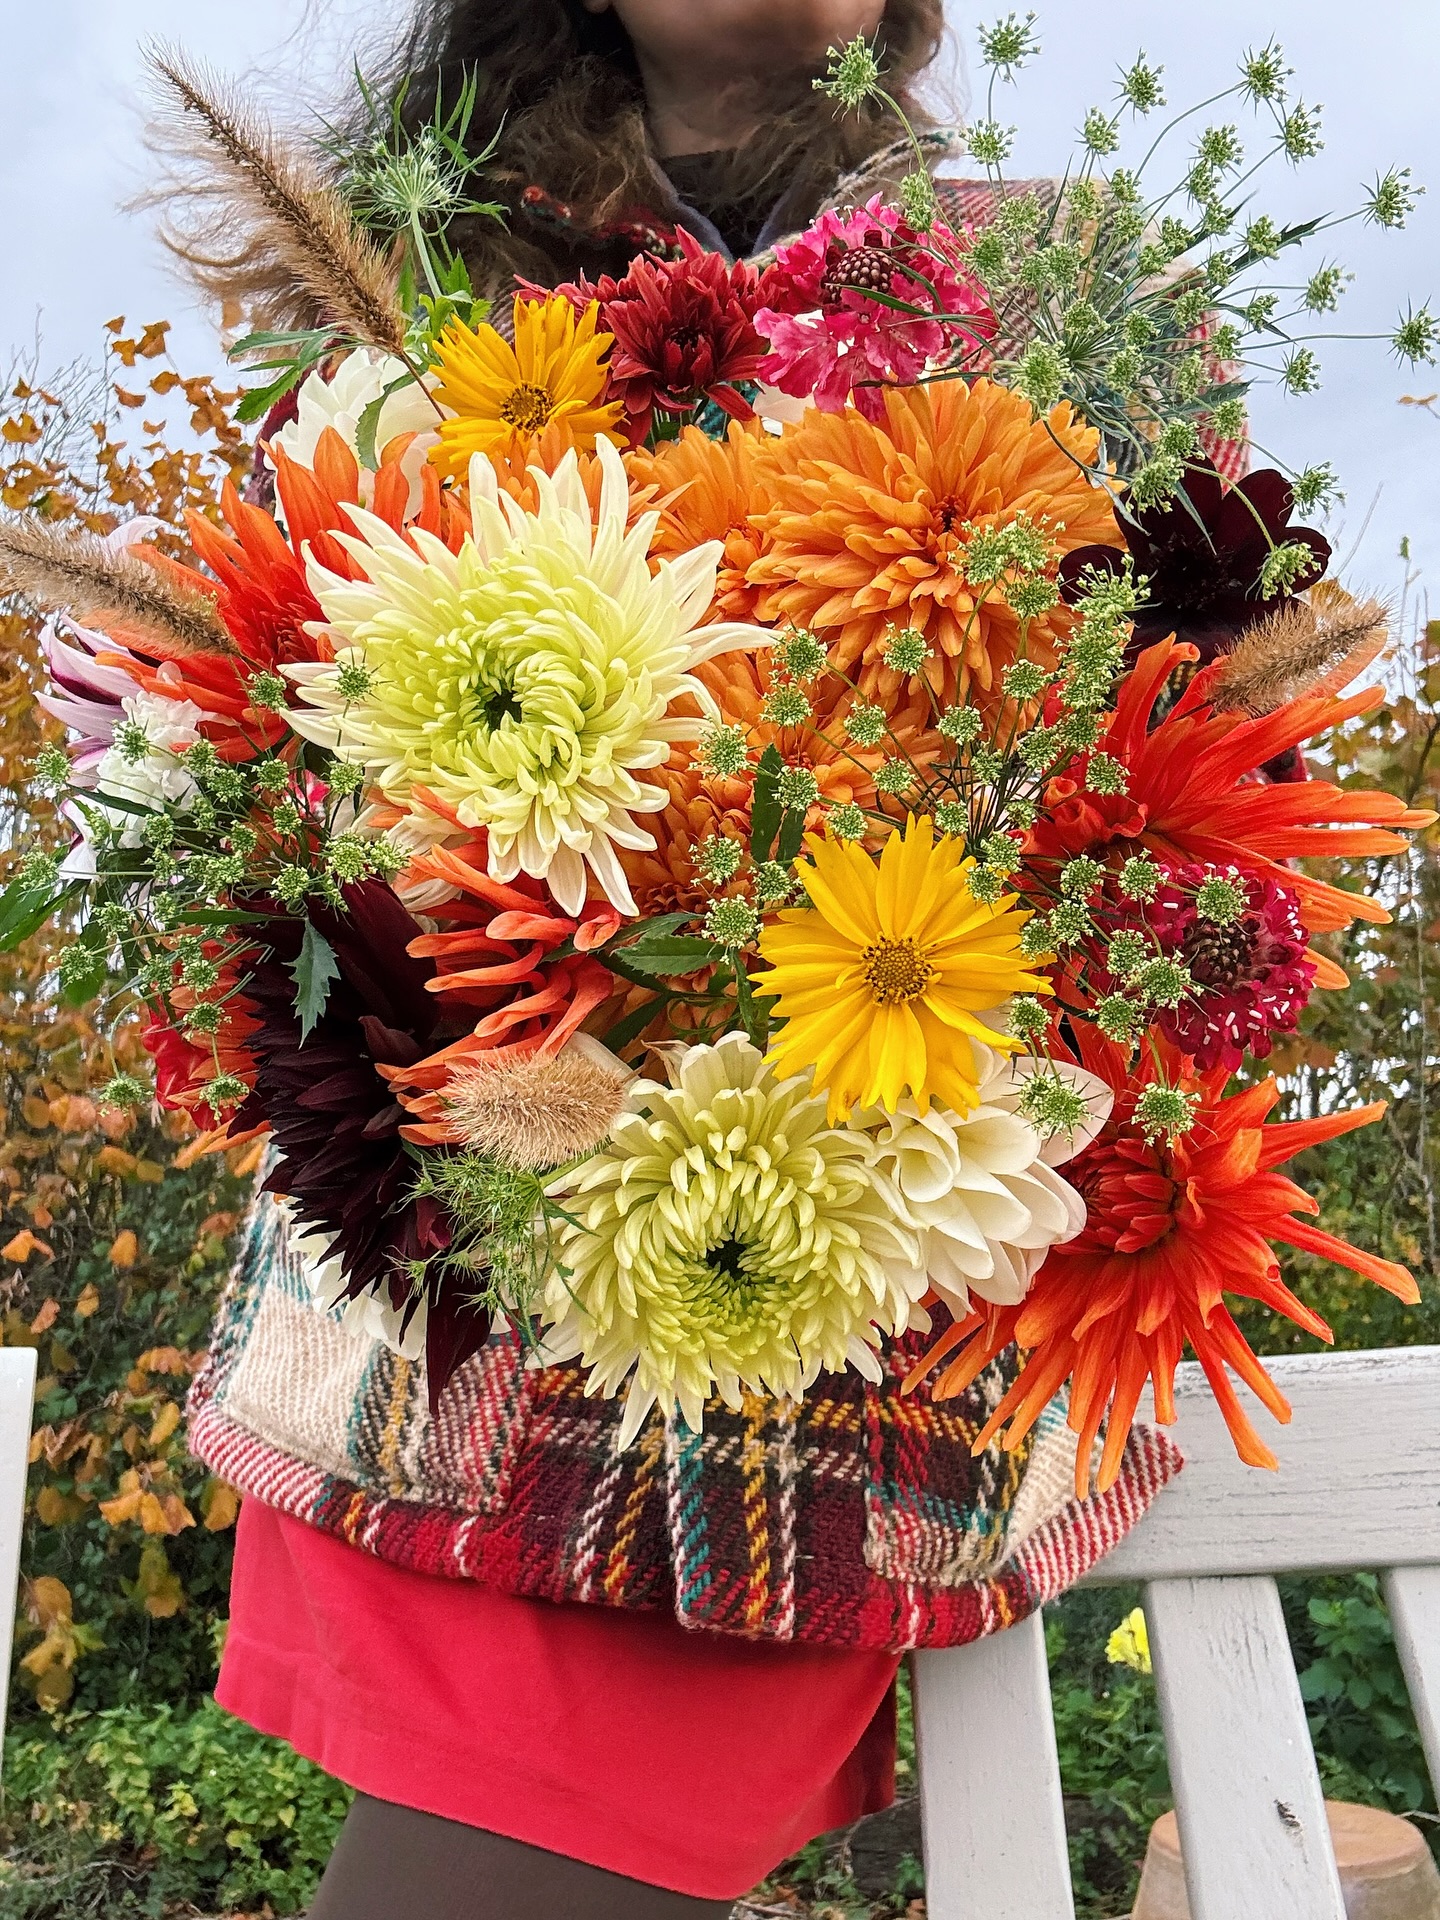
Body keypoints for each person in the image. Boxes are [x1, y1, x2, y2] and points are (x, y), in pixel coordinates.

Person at [176, 6, 1180, 1915]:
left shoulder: (1050, 273)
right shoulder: (428, 269)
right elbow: (267, 722)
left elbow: (1182, 771)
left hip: (809, 1351)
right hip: (435, 1326)